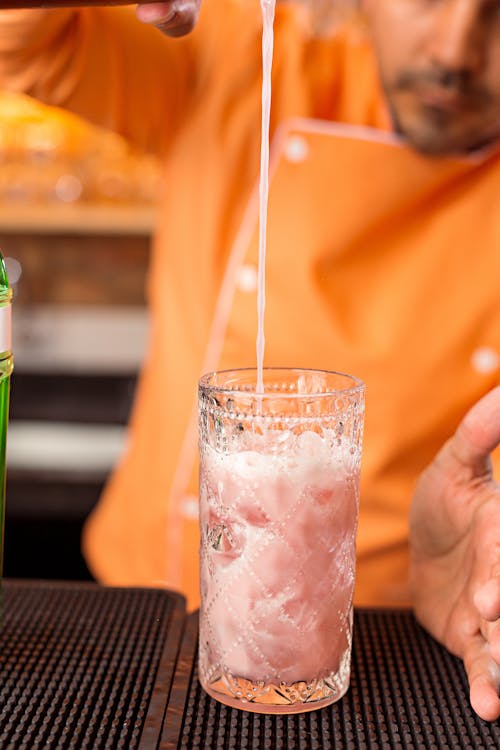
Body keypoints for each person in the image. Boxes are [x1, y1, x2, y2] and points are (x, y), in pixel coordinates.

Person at [0, 0, 498, 721]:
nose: (455, 49)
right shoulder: (251, 43)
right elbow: (27, 45)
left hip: (401, 650)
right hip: (135, 614)